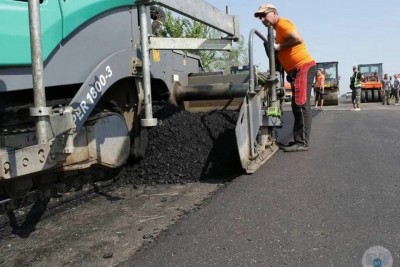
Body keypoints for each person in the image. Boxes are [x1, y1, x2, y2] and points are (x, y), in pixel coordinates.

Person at [254, 3, 317, 152]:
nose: (262, 19)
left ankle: (302, 142)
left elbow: (298, 38)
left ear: (274, 12)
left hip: (303, 66)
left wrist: (278, 47)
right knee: (297, 105)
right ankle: (299, 139)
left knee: (301, 103)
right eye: (260, 17)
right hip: (296, 69)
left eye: (264, 15)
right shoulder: (277, 30)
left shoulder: (282, 23)